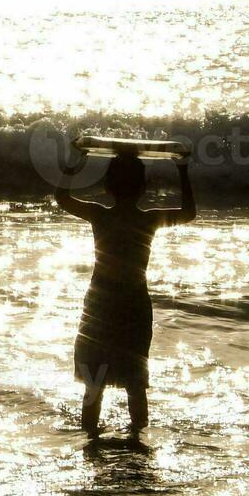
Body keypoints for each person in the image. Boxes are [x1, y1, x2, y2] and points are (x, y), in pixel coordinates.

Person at [56, 152, 196, 438]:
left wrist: (74, 164)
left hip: (101, 303)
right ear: (144, 188)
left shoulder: (99, 214)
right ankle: (137, 437)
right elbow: (188, 213)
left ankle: (91, 438)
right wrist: (181, 169)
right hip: (134, 304)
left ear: (107, 186)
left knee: (94, 381)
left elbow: (62, 198)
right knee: (135, 380)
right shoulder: (149, 220)